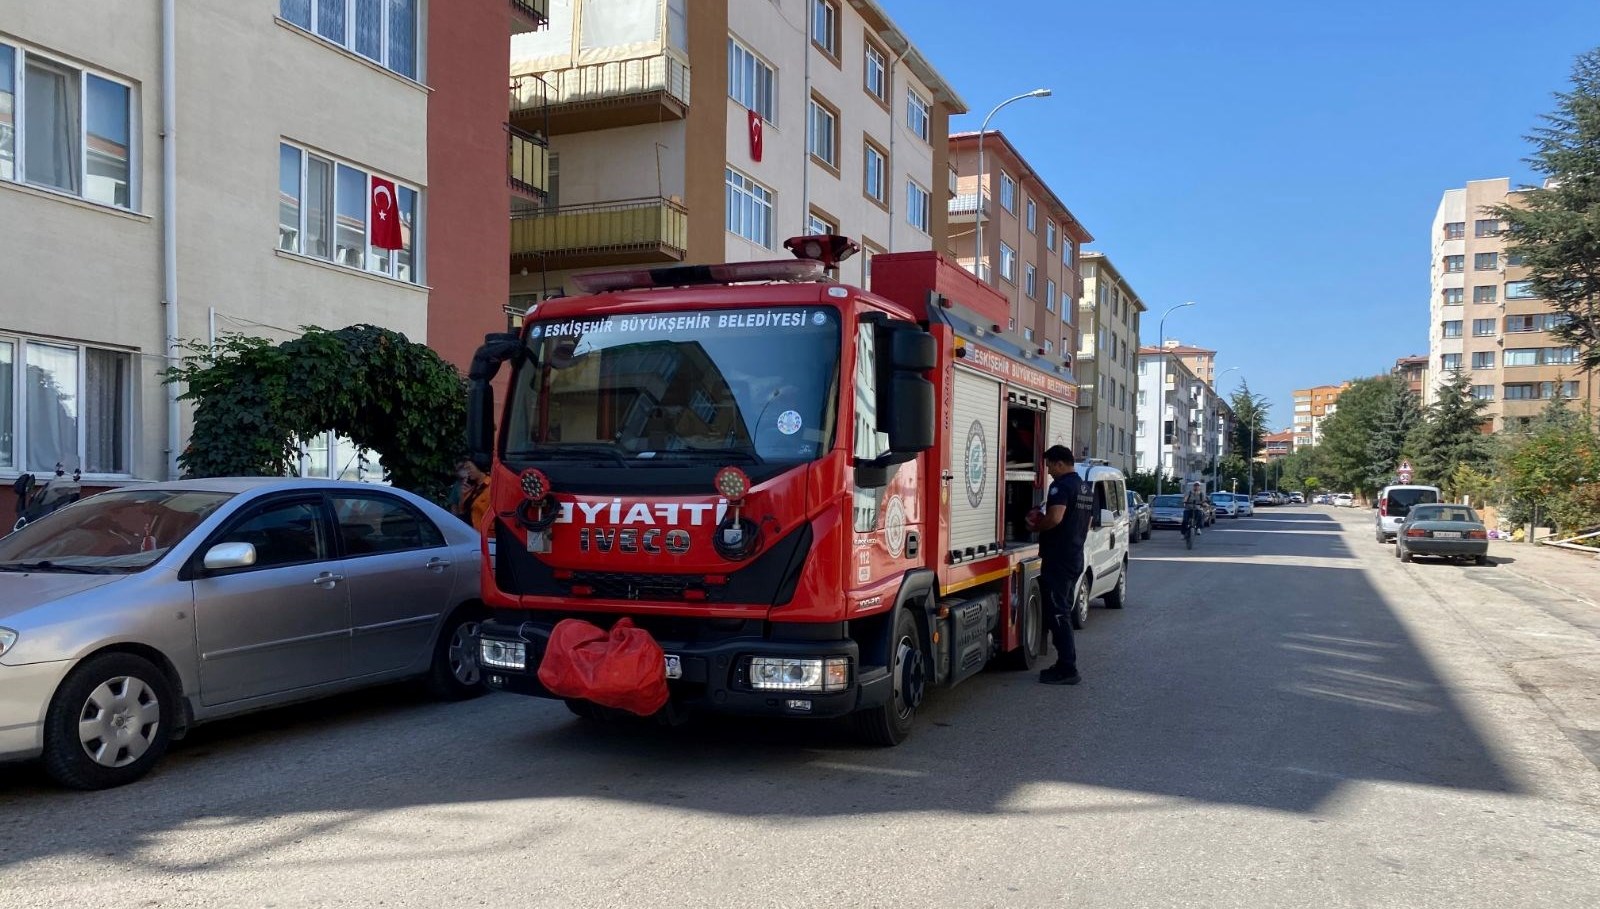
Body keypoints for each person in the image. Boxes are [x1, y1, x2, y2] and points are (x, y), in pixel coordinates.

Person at [1025, 445, 1095, 685]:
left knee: (1058, 612)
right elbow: (1087, 523)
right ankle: (1064, 664)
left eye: (1049, 467)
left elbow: (1055, 517)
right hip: (1075, 556)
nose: (1049, 472)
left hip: (1059, 559)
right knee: (1061, 610)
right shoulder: (1085, 488)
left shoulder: (1061, 486)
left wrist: (1036, 526)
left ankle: (1068, 668)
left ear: (1059, 464)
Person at [451, 459, 491, 528]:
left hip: (485, 533)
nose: (468, 472)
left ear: (478, 467)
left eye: (469, 468)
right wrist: (463, 495)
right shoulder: (472, 487)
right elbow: (462, 511)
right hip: (470, 529)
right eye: (466, 469)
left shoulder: (491, 486)